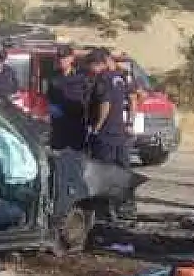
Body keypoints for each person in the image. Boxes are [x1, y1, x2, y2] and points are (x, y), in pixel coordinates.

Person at [87, 49, 136, 220]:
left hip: (106, 134)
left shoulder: (103, 79)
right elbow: (133, 100)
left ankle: (105, 211)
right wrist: (130, 122)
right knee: (123, 170)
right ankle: (127, 208)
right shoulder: (120, 77)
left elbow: (105, 104)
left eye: (91, 66)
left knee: (104, 172)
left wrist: (97, 127)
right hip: (120, 133)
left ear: (97, 64)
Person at [46, 44, 91, 151]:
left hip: (76, 124)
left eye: (65, 57)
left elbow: (88, 98)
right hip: (58, 126)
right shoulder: (53, 76)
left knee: (76, 158)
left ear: (71, 58)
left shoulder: (81, 77)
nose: (62, 60)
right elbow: (49, 97)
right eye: (60, 57)